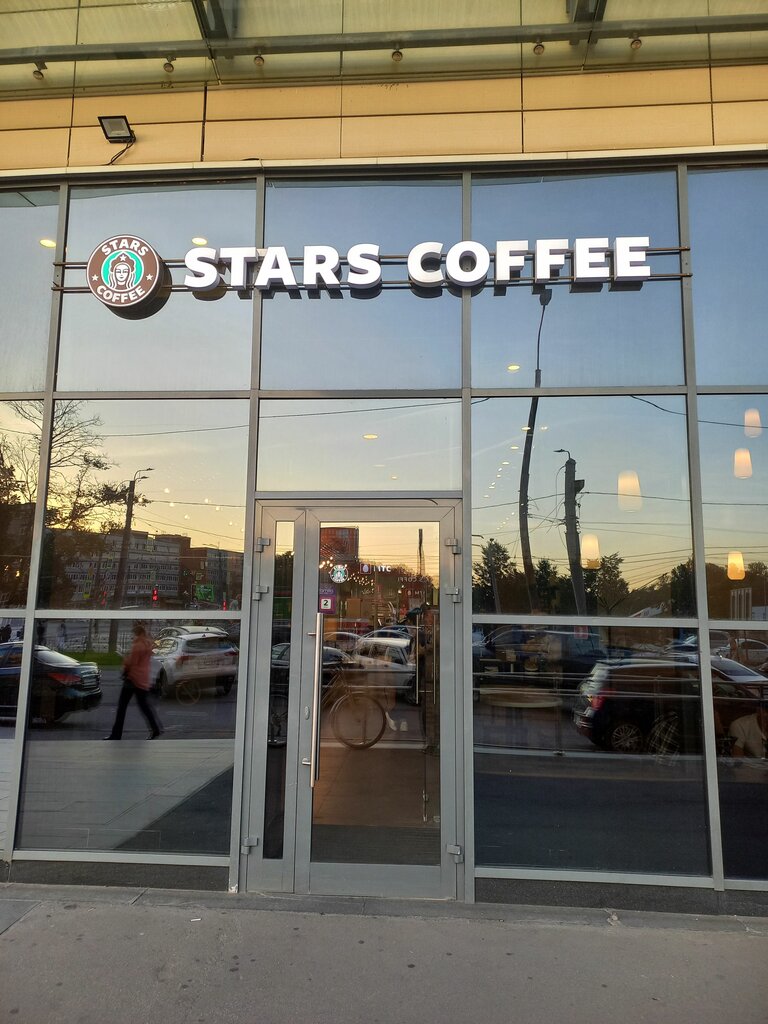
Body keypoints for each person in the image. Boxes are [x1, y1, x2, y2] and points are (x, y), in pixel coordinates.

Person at [104, 624, 163, 740]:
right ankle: (155, 729)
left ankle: (116, 734)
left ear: (138, 634)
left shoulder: (137, 646)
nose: (133, 636)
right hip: (143, 679)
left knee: (122, 707)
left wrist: (125, 661)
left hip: (132, 679)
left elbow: (132, 663)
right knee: (144, 706)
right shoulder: (147, 644)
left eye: (134, 634)